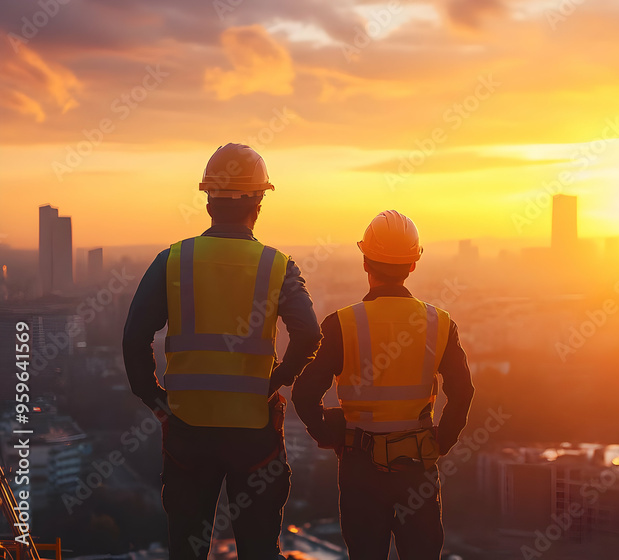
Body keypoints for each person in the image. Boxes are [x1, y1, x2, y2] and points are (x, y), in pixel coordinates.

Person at [122, 143, 322, 560]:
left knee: (187, 549)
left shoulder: (173, 261)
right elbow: (308, 334)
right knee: (258, 549)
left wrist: (155, 399)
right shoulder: (276, 266)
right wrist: (277, 381)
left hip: (188, 431)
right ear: (259, 202)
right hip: (253, 433)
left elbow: (134, 335)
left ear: (209, 200)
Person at [292, 210, 474, 560]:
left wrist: (329, 434)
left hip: (361, 467)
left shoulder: (342, 324)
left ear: (365, 262)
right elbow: (463, 392)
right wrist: (443, 440)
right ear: (413, 265)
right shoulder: (439, 323)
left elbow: (304, 393)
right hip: (417, 464)